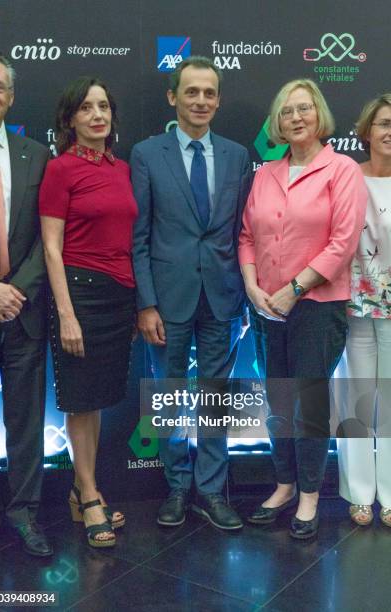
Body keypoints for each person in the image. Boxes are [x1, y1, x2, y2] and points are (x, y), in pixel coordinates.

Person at [239, 78, 367, 539]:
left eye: (304, 109)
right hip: (267, 306)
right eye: (287, 111)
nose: (296, 117)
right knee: (278, 400)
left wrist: (295, 287)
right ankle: (284, 485)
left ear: (319, 116)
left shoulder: (343, 170)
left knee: (308, 403)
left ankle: (310, 495)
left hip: (316, 305)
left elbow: (343, 242)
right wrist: (253, 286)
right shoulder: (265, 173)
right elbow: (248, 238)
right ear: (278, 121)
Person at [131, 56, 252, 530]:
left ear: (218, 100)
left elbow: (242, 231)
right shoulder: (147, 153)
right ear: (173, 97)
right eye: (191, 92)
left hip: (222, 295)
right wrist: (146, 302)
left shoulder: (237, 155)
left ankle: (210, 490)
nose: (201, 100)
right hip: (167, 299)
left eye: (209, 93)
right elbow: (138, 235)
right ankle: (177, 487)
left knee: (216, 397)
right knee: (168, 396)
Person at [40, 76, 137, 548]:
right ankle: (92, 495)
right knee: (80, 399)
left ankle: (84, 489)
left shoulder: (120, 168)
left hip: (119, 295)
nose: (97, 115)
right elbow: (52, 249)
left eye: (103, 106)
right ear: (70, 119)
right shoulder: (60, 169)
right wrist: (66, 313)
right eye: (86, 108)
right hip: (79, 293)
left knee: (96, 398)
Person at [0, 49, 52, 557]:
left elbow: (45, 241)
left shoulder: (36, 155)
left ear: (11, 97)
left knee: (26, 422)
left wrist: (14, 291)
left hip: (24, 311)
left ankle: (24, 512)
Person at [337, 94, 391, 527]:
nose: (390, 132)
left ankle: (390, 497)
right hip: (352, 306)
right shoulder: (346, 177)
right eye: (384, 123)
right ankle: (358, 495)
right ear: (367, 132)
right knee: (356, 401)